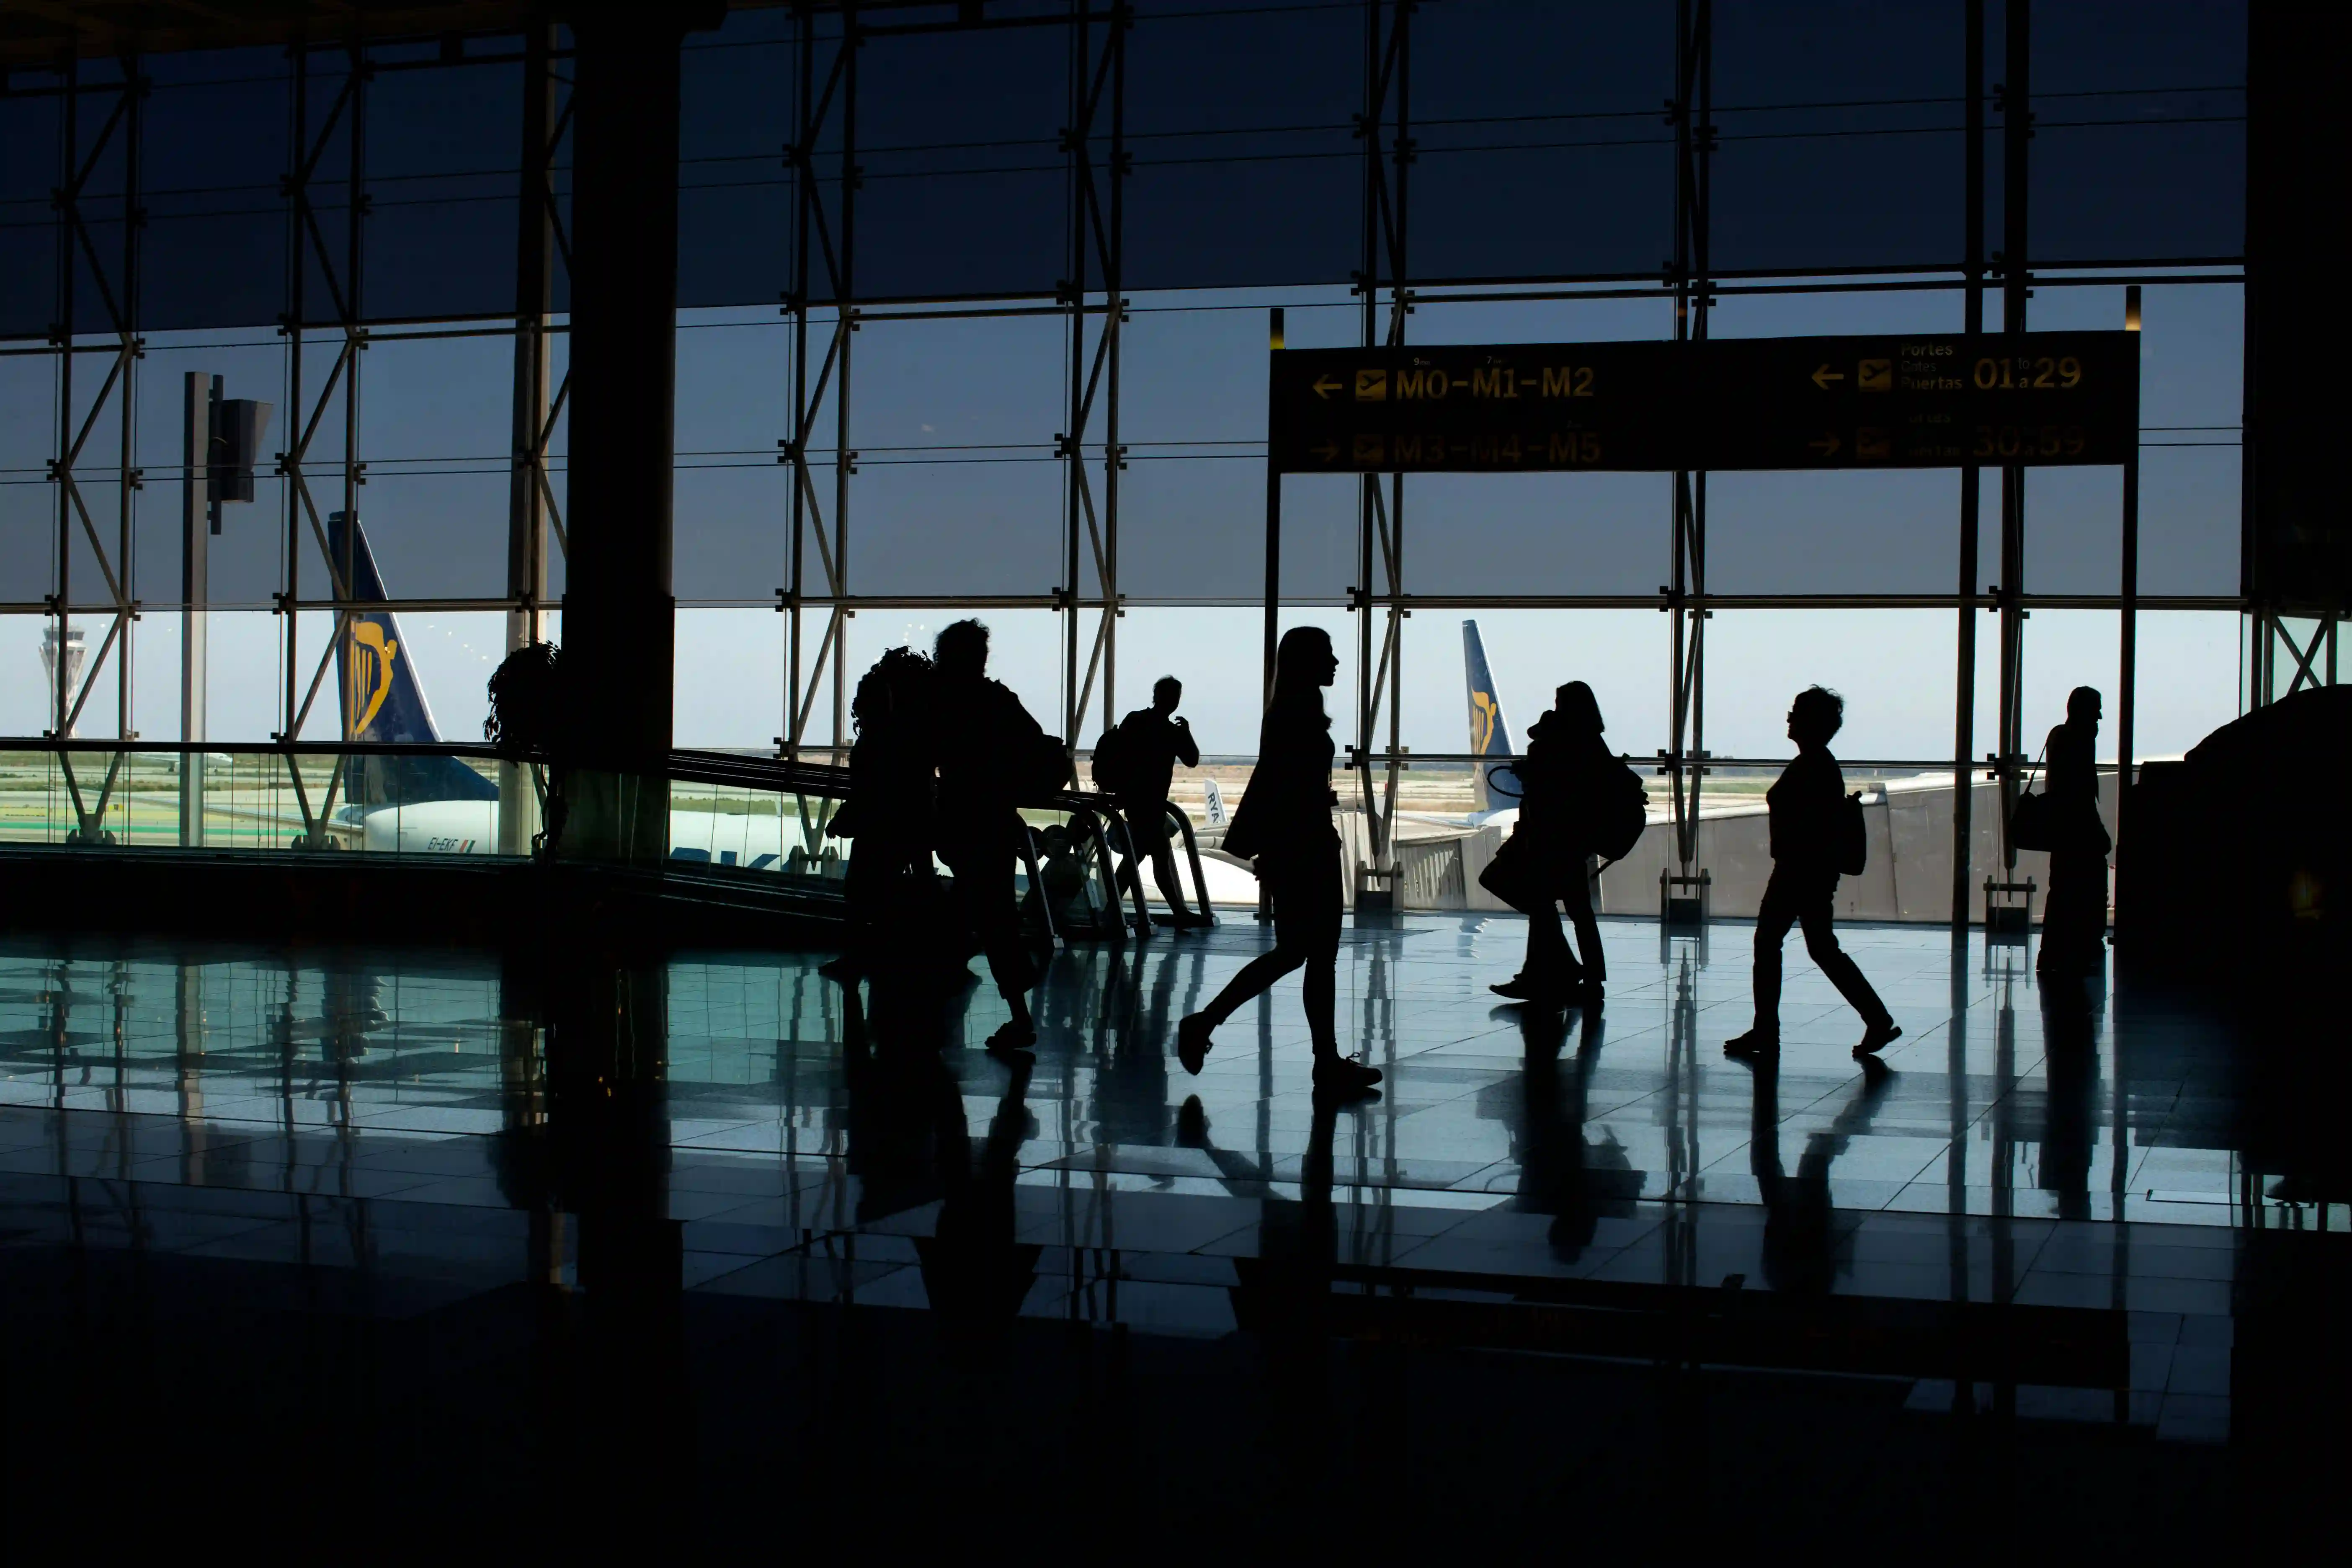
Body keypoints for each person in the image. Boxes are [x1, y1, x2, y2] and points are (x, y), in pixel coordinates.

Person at [1173, 627, 1381, 1099]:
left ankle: (1217, 1025)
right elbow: (1283, 785)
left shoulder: (1290, 712)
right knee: (1313, 955)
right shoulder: (1297, 716)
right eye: (1328, 654)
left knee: (1301, 953)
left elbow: (1275, 783)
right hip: (1305, 846)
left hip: (1297, 845)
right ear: (1308, 662)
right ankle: (1319, 1061)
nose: (1336, 663)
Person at [1725, 686, 1901, 1061]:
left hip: (1798, 871)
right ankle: (1875, 1018)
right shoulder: (1819, 763)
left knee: (1773, 943)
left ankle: (1767, 1029)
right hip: (1810, 872)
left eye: (1795, 713)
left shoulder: (1812, 765)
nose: (1789, 719)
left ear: (1810, 722)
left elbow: (1806, 824)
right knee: (1819, 948)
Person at [930, 619, 1044, 1056]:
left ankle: (1004, 1005)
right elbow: (1035, 745)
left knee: (978, 910)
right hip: (995, 818)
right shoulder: (998, 700)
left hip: (961, 818)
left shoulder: (940, 701)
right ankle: (1016, 1008)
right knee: (990, 911)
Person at [1490, 681, 1613, 1009]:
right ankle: (1584, 976)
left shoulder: (1562, 739)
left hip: (1551, 838)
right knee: (1576, 911)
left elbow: (1548, 783)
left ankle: (1553, 972)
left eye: (1559, 702)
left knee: (1542, 904)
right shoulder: (1592, 741)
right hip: (1574, 839)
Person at [823, 647, 938, 984]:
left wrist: (845, 819)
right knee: (916, 883)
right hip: (911, 822)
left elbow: (868, 788)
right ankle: (918, 954)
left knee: (860, 890)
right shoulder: (907, 737)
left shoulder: (877, 741)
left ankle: (857, 959)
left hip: (882, 827)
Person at [1105, 676, 1208, 927]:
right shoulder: (1169, 731)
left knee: (1146, 856)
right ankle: (1115, 911)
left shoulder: (1136, 721)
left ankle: (1115, 910)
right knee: (1145, 857)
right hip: (1149, 804)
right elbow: (1192, 759)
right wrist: (1186, 733)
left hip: (1138, 801)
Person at [2036, 685, 2112, 977]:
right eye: (2096, 710)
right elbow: (2080, 793)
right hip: (2078, 829)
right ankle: (2082, 948)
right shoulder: (2077, 741)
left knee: (2064, 891)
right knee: (2086, 889)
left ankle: (2058, 951)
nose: (2100, 718)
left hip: (2066, 831)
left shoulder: (2061, 737)